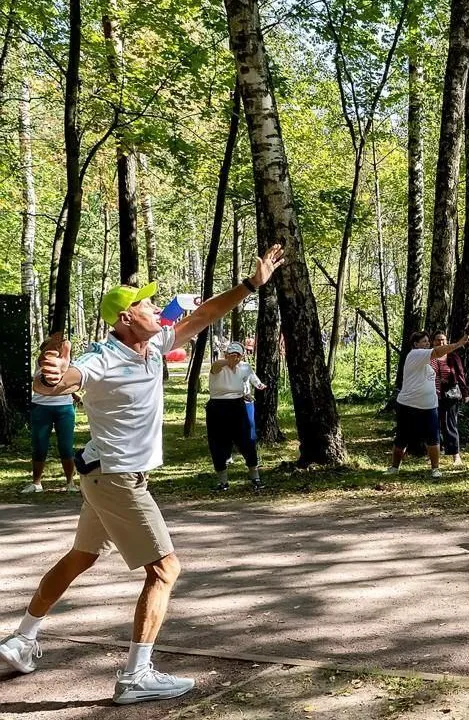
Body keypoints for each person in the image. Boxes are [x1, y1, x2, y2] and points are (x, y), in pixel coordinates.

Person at [0, 245, 285, 705]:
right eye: (147, 304)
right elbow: (62, 379)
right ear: (125, 318)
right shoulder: (101, 359)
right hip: (116, 479)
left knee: (81, 557)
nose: (158, 308)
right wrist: (46, 376)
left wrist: (252, 284)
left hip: (101, 474)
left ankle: (21, 640)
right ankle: (135, 676)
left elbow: (206, 314)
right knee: (165, 569)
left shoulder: (153, 346)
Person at [386, 331, 469, 478]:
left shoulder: (427, 360)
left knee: (433, 438)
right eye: (424, 341)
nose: (426, 344)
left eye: (427, 341)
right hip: (409, 404)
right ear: (415, 344)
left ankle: (435, 469)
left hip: (429, 405)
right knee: (402, 437)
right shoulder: (415, 354)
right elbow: (438, 351)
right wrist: (458, 344)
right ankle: (394, 467)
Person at [207, 342, 267, 491]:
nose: (234, 358)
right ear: (226, 355)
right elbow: (215, 367)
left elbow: (251, 378)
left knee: (247, 441)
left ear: (241, 357)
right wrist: (228, 361)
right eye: (230, 355)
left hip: (238, 406)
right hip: (217, 406)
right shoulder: (219, 366)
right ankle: (223, 481)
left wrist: (255, 388)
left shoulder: (244, 367)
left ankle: (255, 477)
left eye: (237, 356)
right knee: (218, 443)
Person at [24, 389, 80, 494]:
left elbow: (70, 380)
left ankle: (70, 483)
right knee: (39, 446)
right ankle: (36, 483)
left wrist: (73, 393)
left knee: (66, 446)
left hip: (65, 406)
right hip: (41, 405)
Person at [431, 331, 469, 466]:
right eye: (437, 340)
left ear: (447, 342)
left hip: (449, 395)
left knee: (450, 425)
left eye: (443, 340)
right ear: (433, 342)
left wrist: (465, 393)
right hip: (430, 395)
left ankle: (456, 456)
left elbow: (460, 375)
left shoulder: (453, 356)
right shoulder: (429, 356)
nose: (440, 343)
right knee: (433, 426)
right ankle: (434, 454)